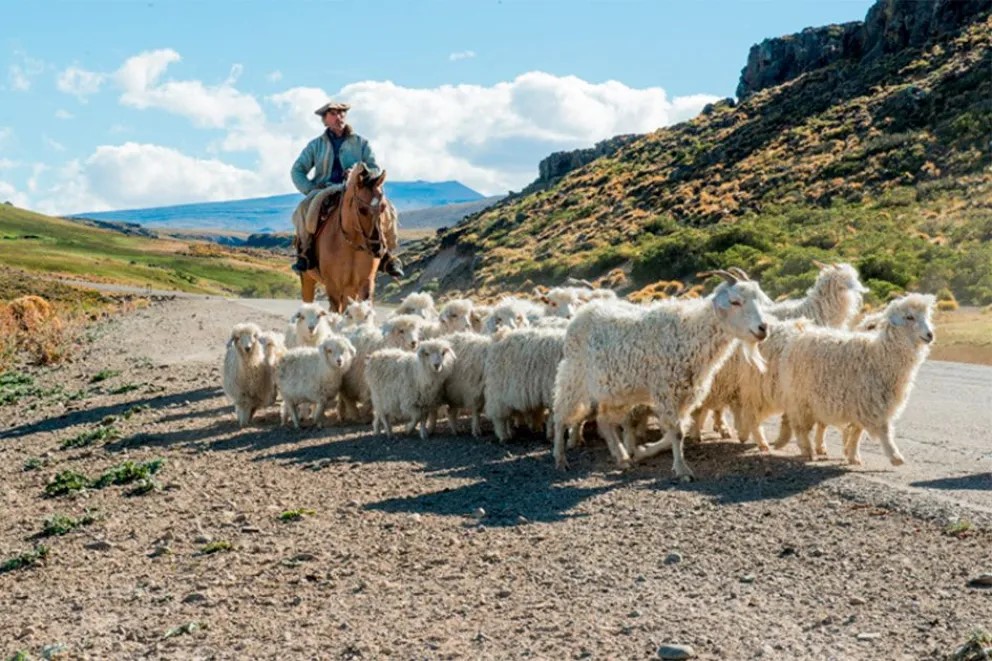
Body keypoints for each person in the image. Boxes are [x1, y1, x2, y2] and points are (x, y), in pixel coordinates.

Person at [289, 101, 403, 277]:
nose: (339, 117)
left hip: (357, 189)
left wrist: (360, 170)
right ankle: (306, 252)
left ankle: (388, 254)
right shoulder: (315, 146)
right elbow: (297, 170)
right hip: (326, 189)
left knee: (388, 208)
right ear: (325, 120)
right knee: (304, 209)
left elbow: (375, 168)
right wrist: (310, 188)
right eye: (333, 114)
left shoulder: (361, 143)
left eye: (342, 113)